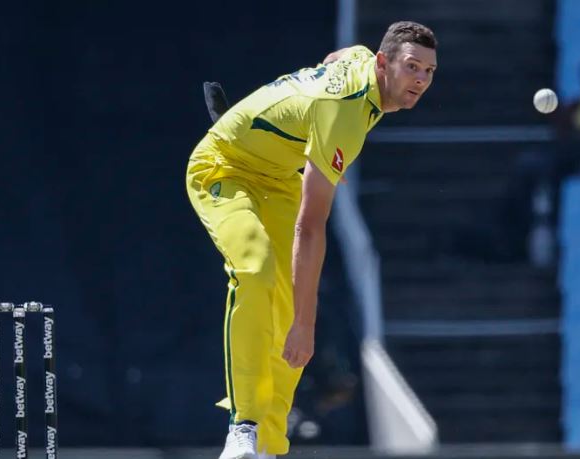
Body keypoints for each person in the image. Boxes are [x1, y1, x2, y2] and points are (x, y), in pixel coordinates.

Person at [185, 21, 437, 459]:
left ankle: (267, 446)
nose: (420, 80)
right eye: (412, 67)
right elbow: (311, 225)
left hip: (278, 177)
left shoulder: (363, 60)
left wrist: (307, 140)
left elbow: (337, 57)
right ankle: (242, 427)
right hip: (223, 166)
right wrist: (307, 323)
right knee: (257, 270)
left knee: (286, 314)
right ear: (384, 63)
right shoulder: (345, 114)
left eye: (429, 71)